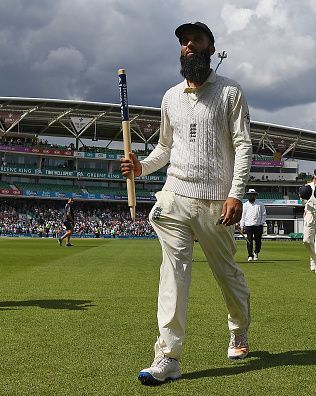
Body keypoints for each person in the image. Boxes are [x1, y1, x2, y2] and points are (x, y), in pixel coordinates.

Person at [120, 21, 252, 386]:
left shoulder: (230, 92)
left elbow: (243, 145)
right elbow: (165, 148)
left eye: (197, 39)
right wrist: (140, 167)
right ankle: (167, 356)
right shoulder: (170, 97)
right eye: (184, 41)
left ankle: (239, 330)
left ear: (211, 47)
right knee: (173, 275)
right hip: (174, 196)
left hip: (216, 202)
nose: (189, 45)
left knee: (227, 275)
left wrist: (236, 192)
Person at [240, 188, 267, 261]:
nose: (251, 196)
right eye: (249, 195)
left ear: (255, 195)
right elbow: (243, 216)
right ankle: (250, 255)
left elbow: (263, 214)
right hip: (248, 225)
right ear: (248, 196)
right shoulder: (245, 205)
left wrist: (261, 223)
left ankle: (256, 252)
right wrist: (242, 226)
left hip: (258, 225)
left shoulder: (260, 204)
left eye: (252, 195)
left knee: (258, 241)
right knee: (249, 241)